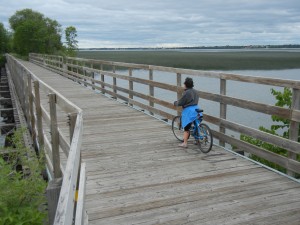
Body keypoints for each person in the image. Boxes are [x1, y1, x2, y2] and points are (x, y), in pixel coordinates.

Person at [174, 77, 200, 148]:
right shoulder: (196, 91)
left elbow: (182, 101)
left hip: (189, 111)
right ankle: (197, 140)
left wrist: (176, 103)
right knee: (196, 124)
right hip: (197, 109)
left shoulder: (186, 92)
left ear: (185, 84)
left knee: (186, 127)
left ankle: (185, 143)